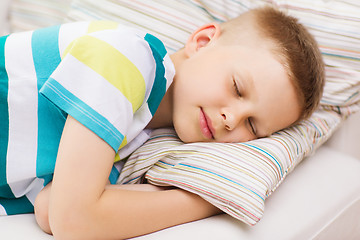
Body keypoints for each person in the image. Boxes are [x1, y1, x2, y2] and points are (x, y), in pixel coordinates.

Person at [0, 6, 324, 239]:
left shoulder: (138, 142)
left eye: (252, 126)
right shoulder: (127, 57)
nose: (232, 119)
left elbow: (50, 208)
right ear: (203, 42)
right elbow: (75, 222)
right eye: (237, 88)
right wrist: (208, 200)